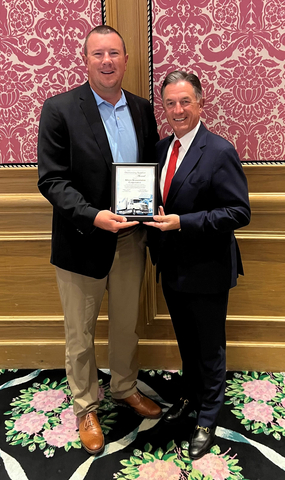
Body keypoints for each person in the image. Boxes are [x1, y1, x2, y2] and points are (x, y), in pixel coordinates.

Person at [37, 25, 161, 455]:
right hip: (81, 239)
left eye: (114, 54)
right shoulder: (59, 109)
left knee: (127, 324)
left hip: (132, 240)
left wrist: (156, 205)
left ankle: (125, 386)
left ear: (126, 60)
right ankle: (86, 405)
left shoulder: (143, 109)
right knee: (80, 333)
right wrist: (94, 216)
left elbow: (150, 169)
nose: (107, 61)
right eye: (98, 54)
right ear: (85, 60)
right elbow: (51, 179)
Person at [146, 71, 251, 460]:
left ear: (200, 103)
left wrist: (182, 223)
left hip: (207, 268)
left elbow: (239, 212)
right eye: (170, 103)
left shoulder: (219, 150)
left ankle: (208, 415)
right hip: (171, 267)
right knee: (186, 343)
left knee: (209, 348)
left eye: (185, 102)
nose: (178, 110)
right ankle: (191, 397)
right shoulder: (160, 150)